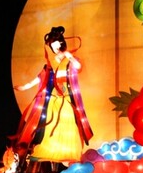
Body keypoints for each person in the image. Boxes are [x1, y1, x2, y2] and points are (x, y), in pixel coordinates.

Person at [13, 26, 93, 163]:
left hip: (68, 98)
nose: (55, 49)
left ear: (62, 44)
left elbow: (78, 67)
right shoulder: (51, 64)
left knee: (68, 124)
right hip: (55, 99)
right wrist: (25, 86)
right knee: (50, 123)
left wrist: (70, 57)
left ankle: (69, 151)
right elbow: (40, 78)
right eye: (52, 46)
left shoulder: (69, 60)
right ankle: (50, 149)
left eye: (57, 45)